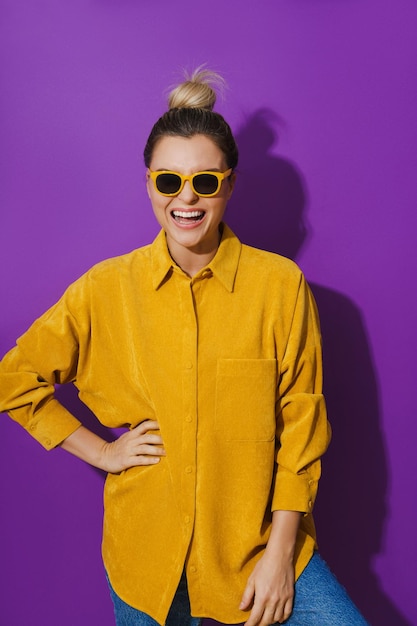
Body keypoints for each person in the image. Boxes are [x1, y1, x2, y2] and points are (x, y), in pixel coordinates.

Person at [0, 68, 368, 626]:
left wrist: (278, 555)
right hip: (146, 561)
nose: (186, 198)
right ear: (149, 184)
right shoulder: (106, 288)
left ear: (229, 184)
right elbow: (15, 378)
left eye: (206, 181)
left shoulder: (279, 285)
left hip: (254, 547)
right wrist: (102, 451)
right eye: (169, 181)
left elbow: (301, 424)